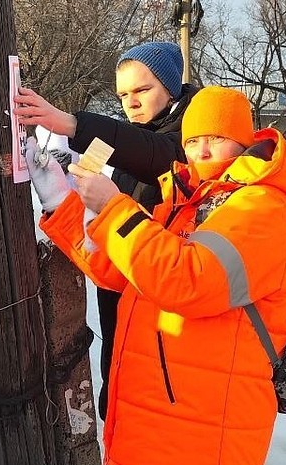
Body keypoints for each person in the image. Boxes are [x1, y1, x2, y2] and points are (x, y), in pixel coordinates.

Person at [24, 86, 286, 465]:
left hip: (204, 443)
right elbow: (123, 271)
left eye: (217, 139)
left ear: (244, 142)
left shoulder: (260, 209)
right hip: (177, 433)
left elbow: (188, 280)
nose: (202, 151)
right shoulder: (190, 202)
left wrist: (117, 208)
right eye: (193, 139)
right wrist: (61, 200)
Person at [14, 42, 198, 421]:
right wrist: (62, 178)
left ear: (170, 87)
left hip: (167, 321)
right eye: (123, 94)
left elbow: (158, 154)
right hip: (123, 296)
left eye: (142, 90)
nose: (131, 102)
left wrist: (72, 124)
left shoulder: (194, 138)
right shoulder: (129, 137)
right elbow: (93, 176)